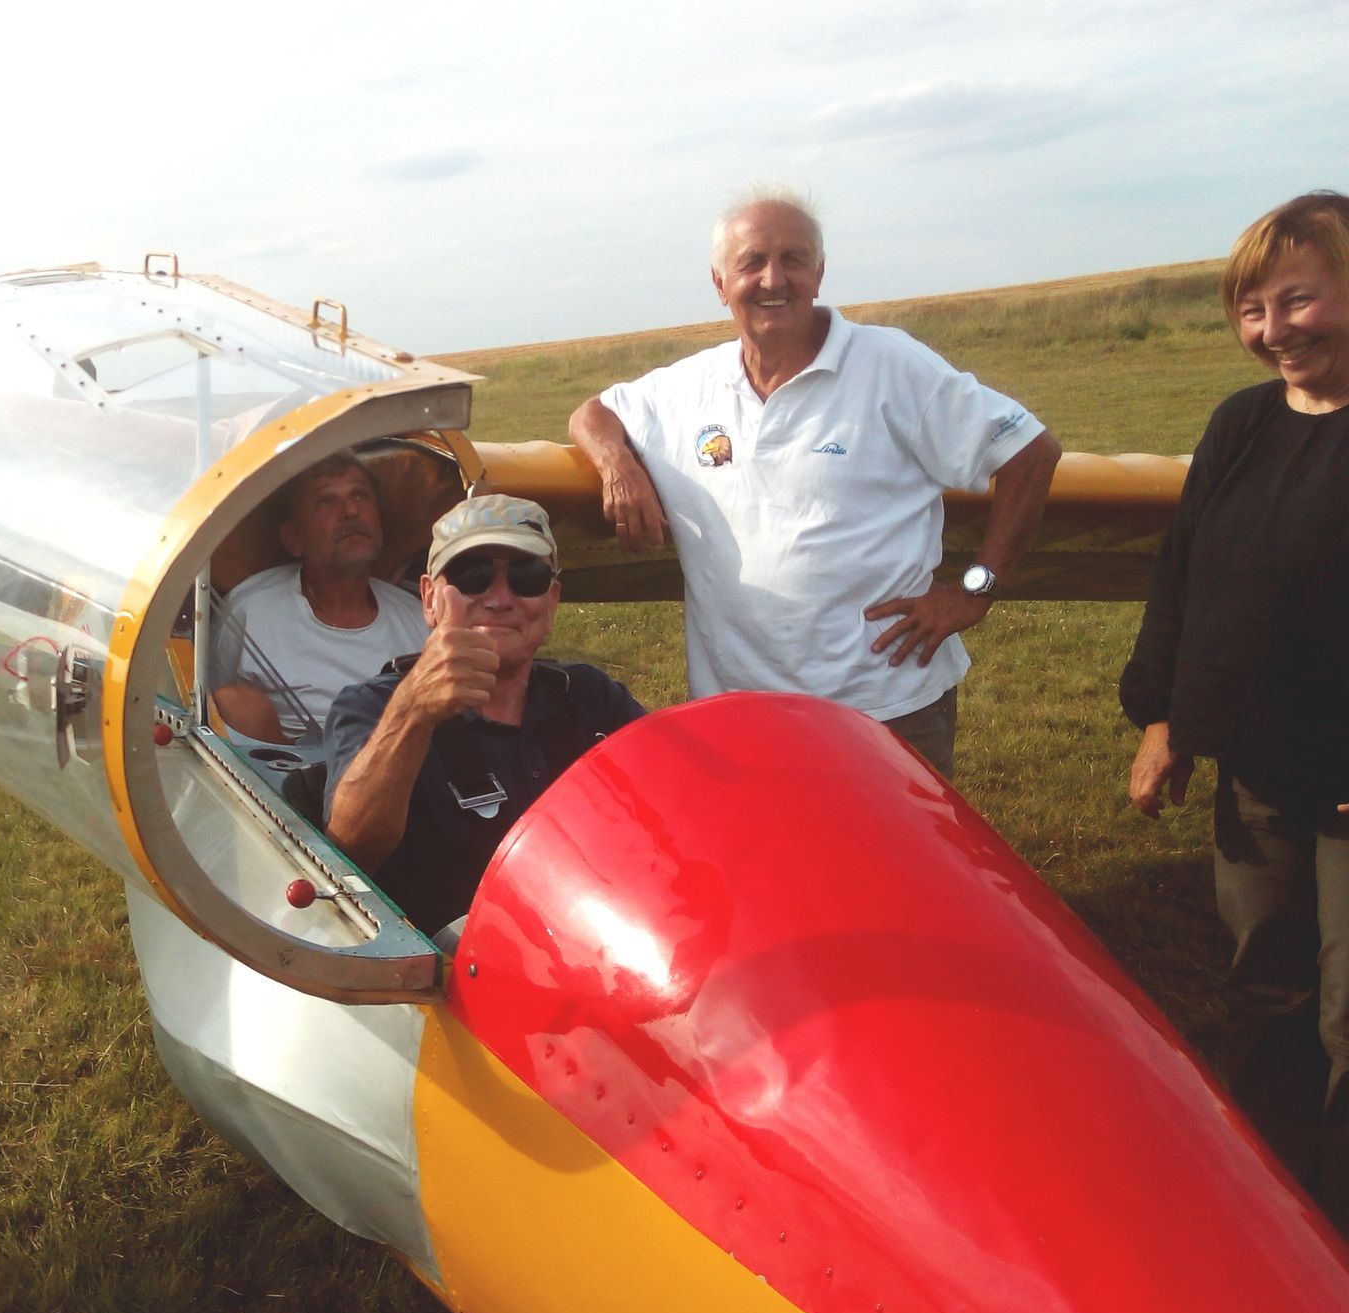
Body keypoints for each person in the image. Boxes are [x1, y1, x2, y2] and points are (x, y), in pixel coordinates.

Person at [568, 184, 1061, 778]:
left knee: (893, 869)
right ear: (720, 284)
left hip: (886, 708)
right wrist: (618, 466)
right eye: (751, 262)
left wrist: (976, 589)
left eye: (794, 259)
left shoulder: (891, 365)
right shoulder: (686, 388)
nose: (774, 279)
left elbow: (1030, 451)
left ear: (820, 274)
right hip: (740, 715)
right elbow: (593, 415)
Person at [1119, 191, 1349, 1214]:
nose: (1274, 332)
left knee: (1348, 1013)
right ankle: (1270, 1209)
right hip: (1255, 774)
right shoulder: (1241, 425)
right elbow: (1184, 577)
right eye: (1252, 312)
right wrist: (1163, 719)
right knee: (1263, 985)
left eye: (1297, 301)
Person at [323, 495, 644, 934]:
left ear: (551, 603)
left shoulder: (590, 697)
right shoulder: (372, 707)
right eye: (472, 576)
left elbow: (674, 800)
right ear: (429, 599)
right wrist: (414, 711)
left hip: (604, 949)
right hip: (449, 983)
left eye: (526, 577)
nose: (500, 598)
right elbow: (349, 851)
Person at [210, 452, 429, 742]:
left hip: (404, 762)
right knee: (236, 702)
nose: (351, 511)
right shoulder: (250, 610)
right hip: (283, 777)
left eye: (360, 495)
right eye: (326, 501)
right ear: (293, 538)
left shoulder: (416, 616)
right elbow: (208, 702)